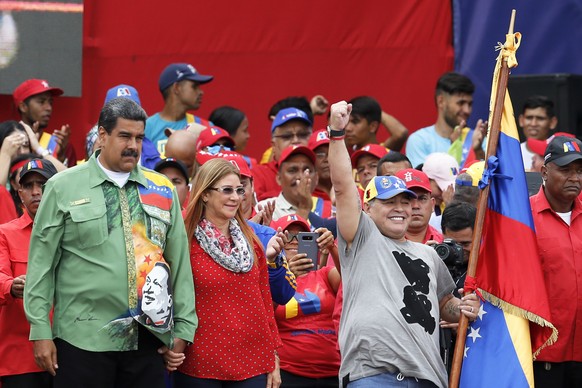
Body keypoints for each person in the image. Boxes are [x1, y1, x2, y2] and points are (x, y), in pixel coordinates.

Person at [24, 97, 197, 387]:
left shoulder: (162, 188)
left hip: (149, 339)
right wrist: (40, 330)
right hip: (82, 340)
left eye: (139, 137)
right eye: (125, 136)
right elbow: (41, 265)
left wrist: (183, 329)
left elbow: (179, 264)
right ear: (102, 136)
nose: (133, 145)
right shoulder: (63, 186)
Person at [326, 100, 480, 388]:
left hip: (427, 378)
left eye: (405, 201)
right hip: (373, 375)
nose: (400, 208)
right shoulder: (361, 239)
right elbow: (344, 186)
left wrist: (465, 308)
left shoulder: (430, 254)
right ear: (368, 209)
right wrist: (336, 134)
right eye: (389, 202)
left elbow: (445, 305)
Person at [179, 158, 282, 387]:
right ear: (205, 194)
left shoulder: (252, 243)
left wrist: (273, 356)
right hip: (200, 364)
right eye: (227, 190)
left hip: (253, 363)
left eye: (239, 190)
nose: (236, 197)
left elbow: (265, 302)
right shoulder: (184, 242)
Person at [0, 158, 58, 387]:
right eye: (28, 185)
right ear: (20, 193)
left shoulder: (75, 231)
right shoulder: (5, 233)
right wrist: (10, 286)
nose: (36, 191)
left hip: (71, 351)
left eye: (42, 184)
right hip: (21, 356)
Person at [530, 135, 582, 387]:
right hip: (542, 354)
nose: (575, 177)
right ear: (544, 171)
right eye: (565, 170)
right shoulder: (522, 217)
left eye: (580, 171)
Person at [270, 215, 341, 388]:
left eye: (301, 236)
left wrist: (332, 247)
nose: (294, 242)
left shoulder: (324, 274)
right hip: (290, 373)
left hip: (332, 372)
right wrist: (286, 277)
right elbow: (263, 316)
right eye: (288, 236)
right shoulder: (269, 279)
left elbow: (352, 279)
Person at [406, 72, 486, 169]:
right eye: (461, 103)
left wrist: (478, 151)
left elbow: (488, 179)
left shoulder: (478, 140)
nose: (467, 110)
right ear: (441, 102)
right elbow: (426, 182)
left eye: (469, 104)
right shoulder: (419, 140)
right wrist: (454, 149)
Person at [146, 63, 214, 155]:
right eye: (194, 86)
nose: (201, 92)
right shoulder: (147, 128)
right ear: (177, 87)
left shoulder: (205, 126)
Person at [256, 145, 333, 221]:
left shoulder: (329, 209)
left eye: (307, 170)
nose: (300, 177)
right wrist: (304, 208)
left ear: (316, 178)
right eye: (292, 170)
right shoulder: (265, 209)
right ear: (279, 178)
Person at [13, 79, 77, 167]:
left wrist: (61, 157)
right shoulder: (9, 142)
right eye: (41, 102)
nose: (49, 108)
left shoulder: (60, 146)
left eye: (50, 102)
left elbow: (72, 180)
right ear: (23, 107)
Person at [253, 108, 313, 201]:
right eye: (287, 136)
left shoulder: (321, 170)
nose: (295, 140)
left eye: (302, 135)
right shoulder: (259, 175)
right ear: (273, 145)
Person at [395, 168, 443, 244]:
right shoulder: (382, 242)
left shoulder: (442, 242)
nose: (415, 206)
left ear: (432, 204)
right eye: (408, 200)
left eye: (422, 199)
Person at [518, 95, 558, 170]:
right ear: (521, 120)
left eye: (540, 118)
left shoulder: (561, 156)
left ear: (552, 122)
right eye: (529, 118)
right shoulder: (511, 154)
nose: (533, 124)